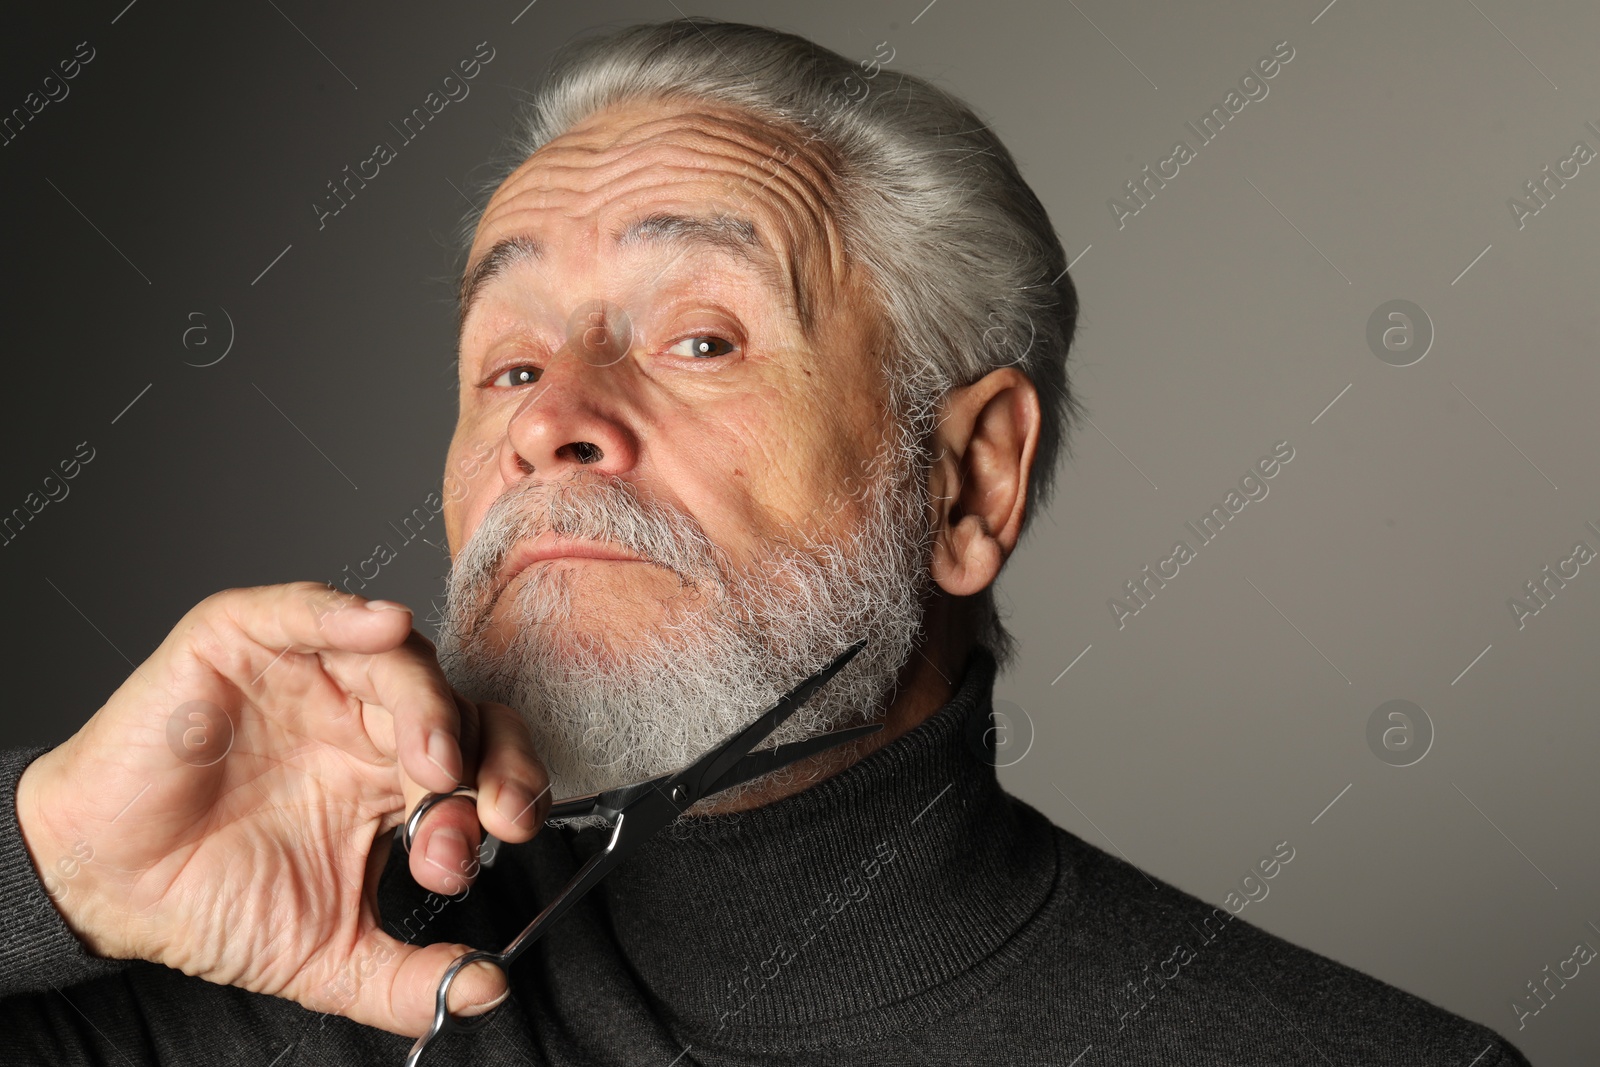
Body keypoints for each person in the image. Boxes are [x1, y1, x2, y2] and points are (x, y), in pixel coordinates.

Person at [0, 18, 1529, 1067]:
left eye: (701, 340)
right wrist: (47, 856)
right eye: (510, 365)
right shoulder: (246, 990)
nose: (550, 423)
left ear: (969, 485)